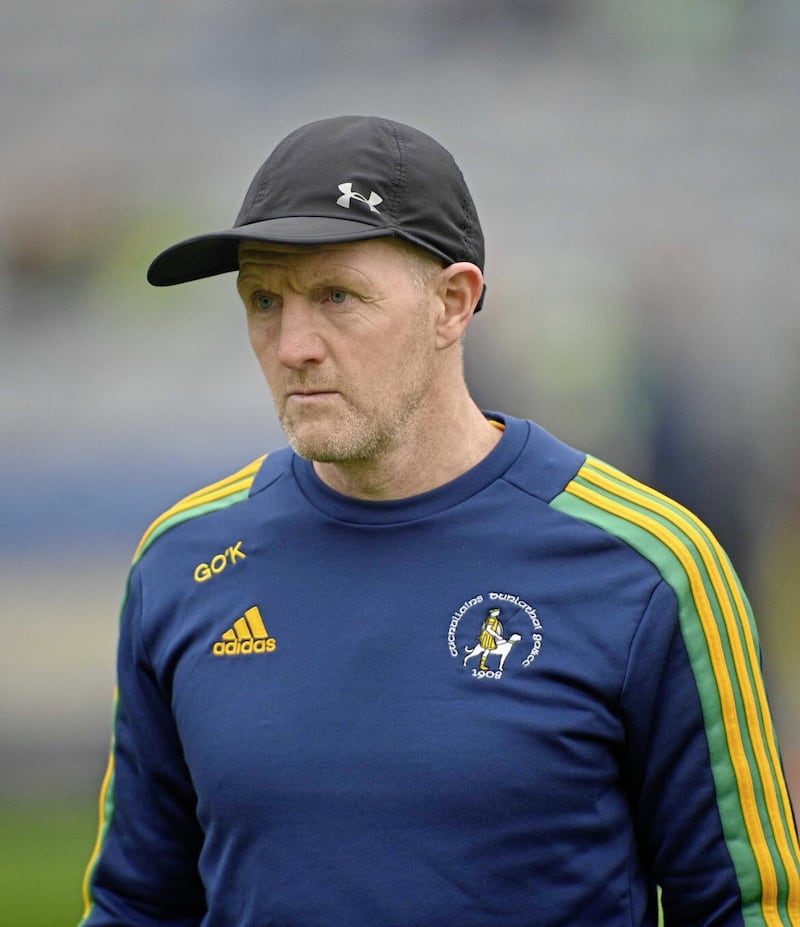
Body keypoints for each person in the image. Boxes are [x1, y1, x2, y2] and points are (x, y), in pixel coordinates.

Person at [79, 115, 800, 927]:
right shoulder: (181, 560)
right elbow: (137, 903)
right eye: (264, 300)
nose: (292, 345)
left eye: (336, 296)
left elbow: (745, 906)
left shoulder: (650, 565)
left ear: (452, 303)